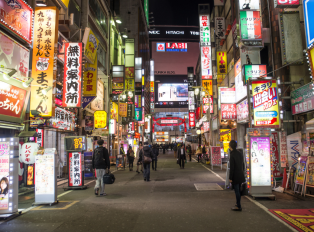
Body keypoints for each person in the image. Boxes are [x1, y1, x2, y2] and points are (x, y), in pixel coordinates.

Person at [229, 140, 245, 211]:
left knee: (237, 191)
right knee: (238, 190)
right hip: (240, 174)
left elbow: (232, 168)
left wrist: (230, 177)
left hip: (235, 175)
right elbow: (243, 164)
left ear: (230, 146)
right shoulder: (239, 153)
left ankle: (238, 206)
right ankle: (237, 203)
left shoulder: (232, 155)